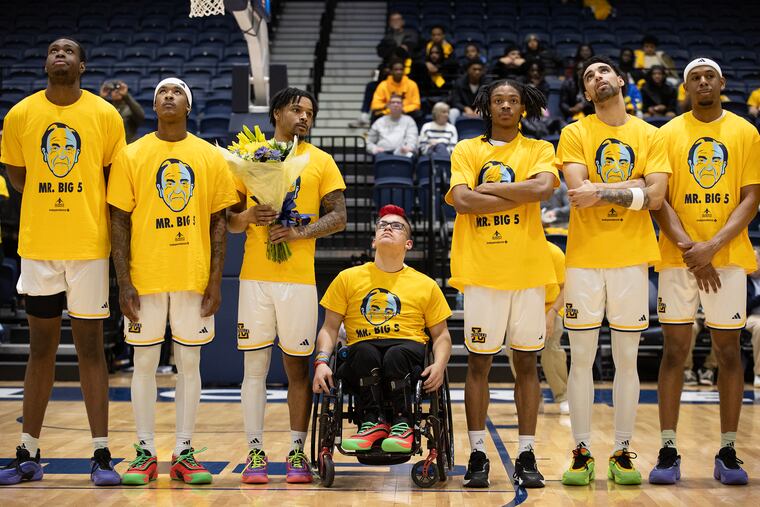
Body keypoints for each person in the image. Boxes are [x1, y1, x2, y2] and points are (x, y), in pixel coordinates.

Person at [0, 38, 126, 487]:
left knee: (91, 349)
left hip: (89, 247)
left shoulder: (105, 115)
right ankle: (27, 450)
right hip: (39, 246)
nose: (60, 54)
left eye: (69, 51)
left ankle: (101, 453)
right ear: (44, 62)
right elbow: (18, 176)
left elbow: (113, 178)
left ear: (82, 65)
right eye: (53, 49)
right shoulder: (20, 115)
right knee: (41, 349)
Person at [108, 77, 238, 485]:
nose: (169, 96)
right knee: (143, 364)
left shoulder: (209, 156)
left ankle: (184, 451)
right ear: (154, 105)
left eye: (177, 92)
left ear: (188, 105)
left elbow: (219, 222)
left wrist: (215, 280)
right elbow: (118, 220)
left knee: (190, 364)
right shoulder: (132, 154)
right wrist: (123, 281)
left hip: (192, 276)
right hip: (144, 277)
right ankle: (144, 452)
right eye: (162, 92)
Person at [556, 55, 670, 486]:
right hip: (584, 260)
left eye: (603, 71)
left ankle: (622, 452)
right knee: (581, 360)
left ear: (620, 80)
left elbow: (656, 197)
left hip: (631, 258)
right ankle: (581, 452)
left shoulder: (650, 134)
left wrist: (605, 190)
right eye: (589, 76)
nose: (597, 78)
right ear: (586, 93)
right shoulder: (574, 132)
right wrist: (634, 186)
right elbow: (577, 192)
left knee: (627, 360)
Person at [226, 87, 347, 484]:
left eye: (309, 112)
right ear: (277, 113)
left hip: (298, 280)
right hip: (254, 278)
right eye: (297, 110)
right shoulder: (249, 156)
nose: (304, 117)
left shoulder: (320, 160)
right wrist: (250, 216)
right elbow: (230, 222)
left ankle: (297, 451)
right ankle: (255, 452)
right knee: (254, 368)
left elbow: (339, 217)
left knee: (297, 368)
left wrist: (299, 233)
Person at [649, 58, 760, 486]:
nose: (702, 82)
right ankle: (668, 448)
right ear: (686, 88)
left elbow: (751, 197)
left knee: (729, 352)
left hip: (727, 259)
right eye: (694, 77)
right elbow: (659, 200)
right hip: (678, 258)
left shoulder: (745, 131)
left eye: (709, 76)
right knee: (674, 352)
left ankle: (728, 449)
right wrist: (691, 249)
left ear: (722, 82)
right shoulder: (667, 133)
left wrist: (711, 247)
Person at [446, 79, 559, 489]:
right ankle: (477, 453)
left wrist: (490, 189)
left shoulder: (539, 149)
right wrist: (519, 194)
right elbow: (462, 200)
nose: (506, 106)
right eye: (499, 100)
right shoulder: (467, 149)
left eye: (513, 100)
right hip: (481, 273)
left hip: (528, 272)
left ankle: (526, 453)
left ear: (523, 107)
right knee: (479, 364)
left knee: (527, 364)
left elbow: (543, 189)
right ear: (487, 106)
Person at [313, 204, 452, 453]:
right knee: (363, 351)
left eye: (397, 226)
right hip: (362, 355)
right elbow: (329, 328)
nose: (388, 228)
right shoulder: (347, 278)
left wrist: (440, 365)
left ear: (408, 244)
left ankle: (403, 423)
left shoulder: (426, 285)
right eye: (382, 225)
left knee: (395, 355)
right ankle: (372, 421)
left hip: (407, 354)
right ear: (374, 241)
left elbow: (441, 335)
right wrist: (322, 362)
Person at [506, 240, 570, 414]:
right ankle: (532, 397)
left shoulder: (554, 253)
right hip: (522, 309)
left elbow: (566, 288)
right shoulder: (513, 252)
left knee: (551, 351)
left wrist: (553, 313)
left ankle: (563, 396)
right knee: (513, 351)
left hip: (551, 308)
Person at [100, 79, 145, 143]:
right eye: (113, 90)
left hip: (128, 144)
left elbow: (141, 117)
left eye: (119, 89)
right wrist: (102, 98)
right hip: (111, 144)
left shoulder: (130, 108)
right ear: (110, 93)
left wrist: (126, 96)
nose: (116, 91)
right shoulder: (107, 108)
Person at [449, 59, 487, 123]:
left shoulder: (487, 83)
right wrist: (465, 108)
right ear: (468, 70)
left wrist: (480, 107)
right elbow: (455, 101)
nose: (477, 72)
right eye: (474, 69)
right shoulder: (459, 83)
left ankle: (489, 129)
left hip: (480, 110)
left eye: (479, 70)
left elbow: (488, 100)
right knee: (452, 112)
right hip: (463, 110)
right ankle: (453, 129)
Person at [745, 247, 760, 388]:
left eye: (756, 260)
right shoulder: (742, 279)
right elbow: (746, 305)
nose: (754, 263)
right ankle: (759, 374)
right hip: (751, 317)